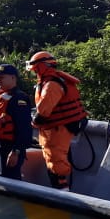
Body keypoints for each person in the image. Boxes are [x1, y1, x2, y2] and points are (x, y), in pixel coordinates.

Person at [26, 50, 89, 191]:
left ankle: (62, 193)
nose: (34, 73)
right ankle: (60, 189)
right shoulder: (55, 80)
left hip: (57, 129)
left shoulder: (52, 85)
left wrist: (32, 123)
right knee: (55, 160)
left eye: (35, 69)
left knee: (56, 163)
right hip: (59, 127)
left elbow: (43, 112)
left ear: (41, 67)